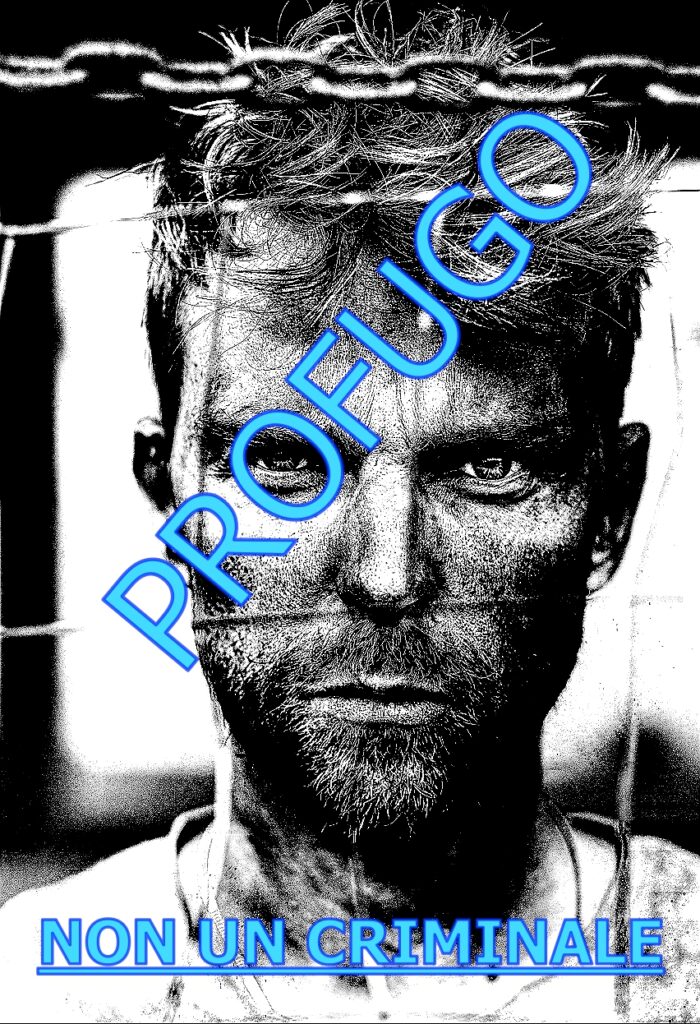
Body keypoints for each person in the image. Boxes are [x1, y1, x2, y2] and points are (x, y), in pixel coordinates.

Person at [1, 5, 698, 1022]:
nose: (387, 574)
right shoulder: (31, 990)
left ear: (610, 507)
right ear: (169, 494)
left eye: (488, 465)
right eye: (287, 462)